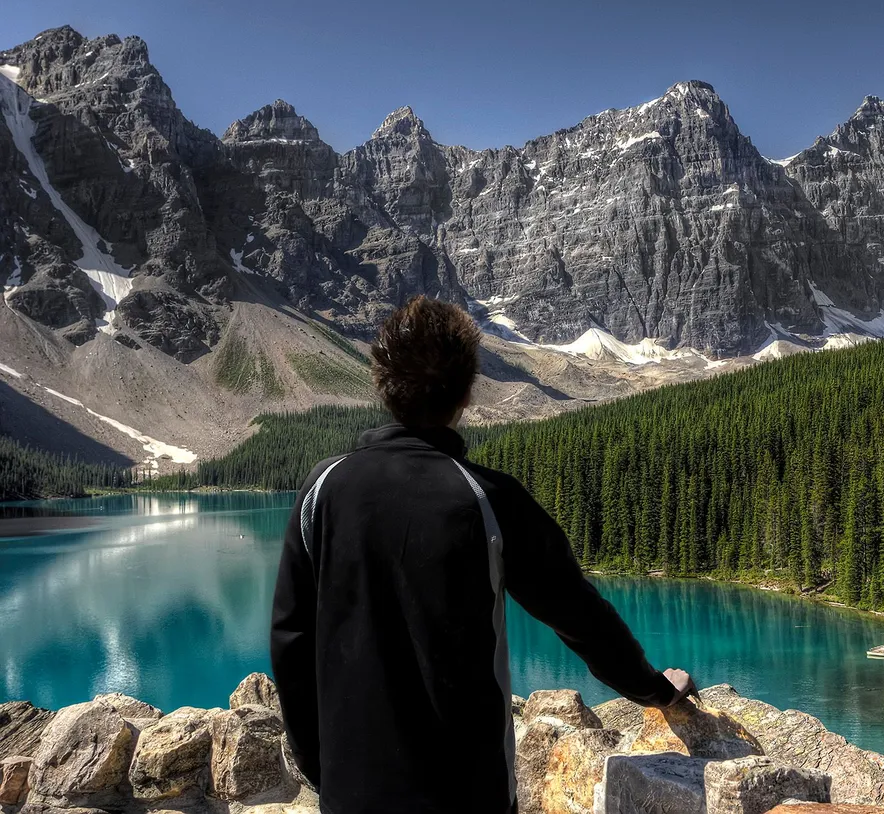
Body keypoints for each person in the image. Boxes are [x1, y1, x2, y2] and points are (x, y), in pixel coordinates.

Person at [271, 297, 695, 814]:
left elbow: (291, 644)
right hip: (469, 793)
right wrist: (654, 690)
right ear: (467, 393)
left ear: (382, 384)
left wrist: (323, 768)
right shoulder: (489, 498)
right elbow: (580, 618)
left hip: (352, 794)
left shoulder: (323, 487)